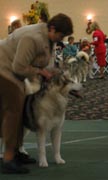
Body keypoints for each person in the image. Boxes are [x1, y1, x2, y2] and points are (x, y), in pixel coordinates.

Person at [0, 13, 73, 174]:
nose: (61, 39)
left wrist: (53, 71)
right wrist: (41, 72)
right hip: (3, 66)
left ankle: (17, 151)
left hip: (14, 71)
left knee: (20, 109)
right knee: (14, 109)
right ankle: (8, 158)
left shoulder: (49, 37)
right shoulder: (32, 37)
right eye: (61, 35)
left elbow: (42, 61)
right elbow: (19, 67)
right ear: (53, 28)